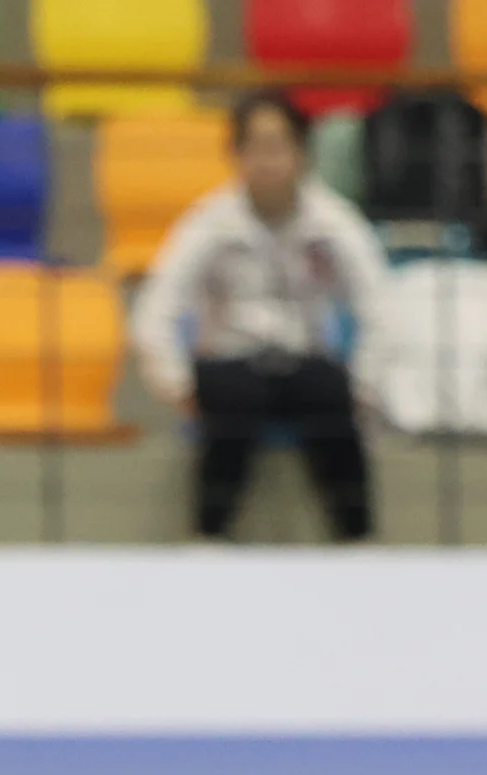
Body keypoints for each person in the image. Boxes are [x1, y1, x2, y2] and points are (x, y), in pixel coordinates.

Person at [129, 91, 390, 543]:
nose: (267, 161)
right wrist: (175, 384)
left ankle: (356, 541)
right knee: (233, 399)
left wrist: (366, 384)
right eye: (255, 148)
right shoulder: (209, 222)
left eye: (278, 147)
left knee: (333, 396)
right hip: (232, 364)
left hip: (304, 363)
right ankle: (210, 538)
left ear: (302, 153)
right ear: (235, 154)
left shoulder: (334, 222)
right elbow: (156, 308)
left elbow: (379, 307)